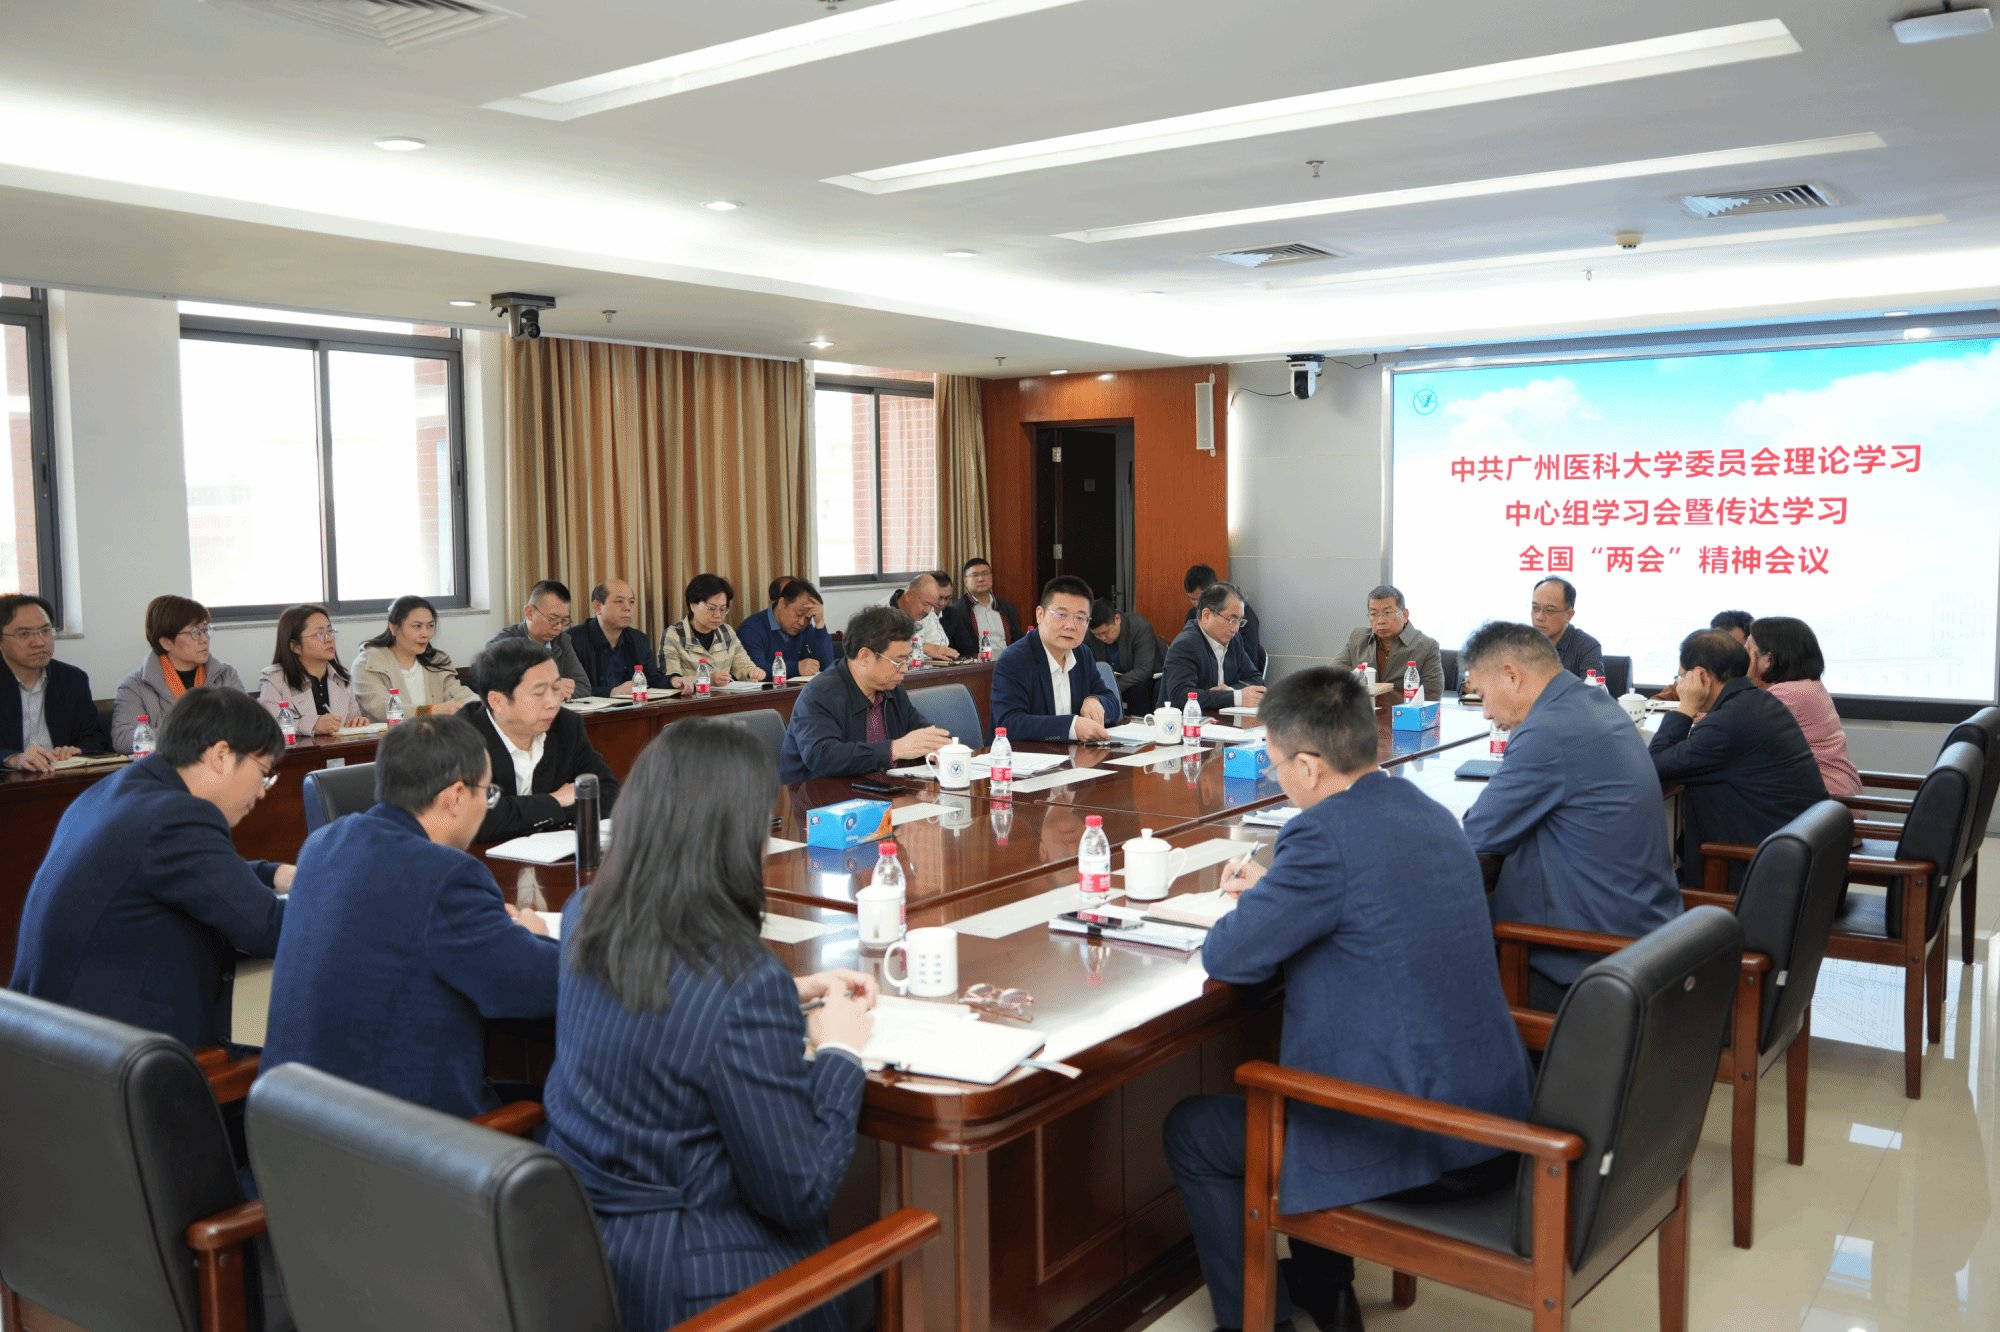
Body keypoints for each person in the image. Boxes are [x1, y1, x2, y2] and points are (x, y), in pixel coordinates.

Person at [1163, 667, 1532, 1332]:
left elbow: (1230, 957)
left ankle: (1257, 1321)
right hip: (1493, 1112)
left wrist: (1268, 897)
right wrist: (1282, 890)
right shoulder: (1428, 811)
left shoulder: (1320, 836)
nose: (1274, 775)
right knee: (1323, 1062)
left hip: (1416, 1136)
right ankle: (1324, 1285)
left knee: (1194, 1129)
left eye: (1274, 762)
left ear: (1307, 767)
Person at [544, 720, 878, 1332]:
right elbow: (800, 1193)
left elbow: (659, 1004)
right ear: (734, 840)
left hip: (580, 1253)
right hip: (700, 1287)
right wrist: (839, 1051)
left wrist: (788, 991)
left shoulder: (584, 913)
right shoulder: (742, 982)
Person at [259, 715, 558, 1118]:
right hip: (397, 1138)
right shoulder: (448, 876)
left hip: (293, 1121)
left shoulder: (322, 844)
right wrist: (533, 934)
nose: (486, 807)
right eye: (487, 793)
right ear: (456, 796)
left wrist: (485, 926)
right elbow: (535, 986)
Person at [10, 687, 291, 1050]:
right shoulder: (177, 816)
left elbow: (193, 875)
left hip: (47, 1032)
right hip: (112, 1050)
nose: (262, 792)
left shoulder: (114, 790)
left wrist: (271, 873)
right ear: (221, 755)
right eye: (264, 772)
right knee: (293, 1034)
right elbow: (265, 929)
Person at [1458, 622, 1681, 1010]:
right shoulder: (1594, 703)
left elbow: (1478, 835)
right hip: (1642, 936)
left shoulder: (1548, 731)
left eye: (1482, 695)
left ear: (1511, 676)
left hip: (1585, 961)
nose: (1486, 713)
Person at [1650, 629, 1828, 890]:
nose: (1680, 685)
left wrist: (1686, 707)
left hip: (1761, 876)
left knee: (1651, 888)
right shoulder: (1759, 701)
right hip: (1796, 862)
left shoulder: (1726, 724)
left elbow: (1654, 767)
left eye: (1681, 677)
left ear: (1701, 677)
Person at [461, 638, 621, 842]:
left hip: (552, 853)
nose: (553, 703)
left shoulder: (566, 725)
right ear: (497, 701)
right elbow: (473, 819)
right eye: (539, 693)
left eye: (556, 689)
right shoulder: (461, 736)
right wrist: (554, 801)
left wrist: (523, 814)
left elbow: (608, 794)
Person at [777, 606, 949, 783]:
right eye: (898, 661)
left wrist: (942, 748)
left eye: (907, 659)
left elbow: (920, 730)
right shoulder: (819, 695)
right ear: (865, 656)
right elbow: (822, 757)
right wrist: (893, 750)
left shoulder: (892, 689)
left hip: (878, 789)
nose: (905, 669)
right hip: (818, 795)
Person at [991, 576, 1121, 742]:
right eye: (1061, 615)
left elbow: (1113, 704)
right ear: (1040, 615)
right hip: (1027, 756)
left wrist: (1095, 701)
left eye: (1080, 618)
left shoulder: (1082, 654)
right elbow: (1009, 723)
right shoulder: (1014, 660)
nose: (1071, 626)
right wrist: (1071, 727)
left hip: (1076, 754)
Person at [113, 594, 248, 752]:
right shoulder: (135, 686)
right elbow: (123, 739)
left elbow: (250, 723)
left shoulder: (225, 675)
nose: (205, 639)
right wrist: (187, 731)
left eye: (206, 630)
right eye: (195, 632)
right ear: (166, 643)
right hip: (167, 766)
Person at [1745, 616, 1861, 797]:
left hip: (1821, 800)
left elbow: (1740, 735)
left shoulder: (1786, 694)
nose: (1742, 658)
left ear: (1768, 659)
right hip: (1830, 792)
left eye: (1748, 651)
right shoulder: (1806, 685)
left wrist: (1745, 679)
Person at [1, 592, 110, 771]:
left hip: (61, 779)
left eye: (45, 631)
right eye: (24, 634)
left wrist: (78, 750)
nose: (39, 642)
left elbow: (96, 739)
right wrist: (12, 758)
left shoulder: (73, 679)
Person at [350, 595, 477, 722]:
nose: (425, 634)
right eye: (417, 626)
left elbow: (459, 694)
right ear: (393, 628)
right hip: (391, 734)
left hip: (436, 733)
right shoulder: (368, 662)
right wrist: (432, 710)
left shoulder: (436, 660)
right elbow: (381, 709)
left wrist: (482, 707)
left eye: (430, 626)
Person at [257, 604, 369, 736]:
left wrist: (357, 722)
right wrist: (312, 725)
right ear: (295, 646)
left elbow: (351, 722)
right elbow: (268, 725)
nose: (329, 639)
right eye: (319, 634)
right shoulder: (274, 680)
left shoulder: (341, 678)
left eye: (330, 631)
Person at [568, 578, 688, 699]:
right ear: (598, 607)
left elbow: (652, 678)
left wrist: (673, 681)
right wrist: (612, 691)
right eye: (619, 601)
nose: (627, 607)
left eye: (631, 602)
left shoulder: (639, 639)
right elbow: (569, 688)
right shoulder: (571, 640)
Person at [1160, 582, 1267, 716]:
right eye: (1231, 620)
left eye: (1240, 621)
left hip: (1222, 721)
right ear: (1206, 615)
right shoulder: (1185, 645)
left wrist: (1230, 691)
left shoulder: (1234, 640)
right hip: (1185, 723)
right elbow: (1180, 697)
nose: (1236, 629)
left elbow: (1256, 679)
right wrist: (1235, 697)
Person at [1331, 584, 1442, 702]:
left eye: (1388, 613)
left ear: (1405, 615)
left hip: (1404, 712)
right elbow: (1334, 673)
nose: (1380, 621)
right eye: (1374, 614)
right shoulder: (1358, 638)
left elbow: (1432, 694)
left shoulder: (1427, 647)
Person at [485, 580, 592, 700]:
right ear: (529, 613)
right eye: (553, 619)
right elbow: (498, 691)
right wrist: (551, 689)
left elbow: (583, 687)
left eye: (564, 621)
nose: (559, 627)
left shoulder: (561, 641)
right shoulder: (501, 644)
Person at [660, 574, 766, 683]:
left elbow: (743, 666)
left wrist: (752, 673)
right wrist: (708, 679)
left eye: (723, 609)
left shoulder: (726, 632)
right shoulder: (674, 635)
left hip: (725, 693)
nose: (718, 615)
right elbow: (672, 679)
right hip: (693, 694)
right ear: (693, 605)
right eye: (711, 608)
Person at [739, 578, 835, 677]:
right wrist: (796, 668)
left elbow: (827, 668)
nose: (802, 623)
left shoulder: (806, 629)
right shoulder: (750, 629)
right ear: (781, 603)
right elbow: (754, 671)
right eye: (798, 614)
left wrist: (820, 624)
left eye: (808, 618)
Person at [1654, 610, 1753, 702]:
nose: (1725, 653)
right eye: (1718, 646)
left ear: (1749, 647)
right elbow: (1655, 703)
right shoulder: (1701, 672)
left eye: (1733, 647)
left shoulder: (1755, 681)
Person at [1088, 598, 1163, 716]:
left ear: (1117, 619)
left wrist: (1111, 687)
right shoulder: (1088, 635)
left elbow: (1142, 671)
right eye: (1097, 634)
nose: (1102, 638)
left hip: (1142, 680)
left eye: (1105, 632)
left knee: (1138, 688)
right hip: (1107, 682)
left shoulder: (1140, 628)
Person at [1182, 565, 1265, 670]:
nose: (1197, 604)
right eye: (1192, 599)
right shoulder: (1193, 616)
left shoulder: (1243, 615)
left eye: (1200, 598)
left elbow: (1248, 662)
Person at [942, 556, 1022, 658]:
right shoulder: (956, 611)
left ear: (991, 577)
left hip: (1007, 661)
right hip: (976, 665)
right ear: (966, 581)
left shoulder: (1007, 608)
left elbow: (1018, 640)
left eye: (985, 574)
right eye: (975, 575)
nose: (981, 579)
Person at [1528, 576, 1604, 681]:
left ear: (1569, 615)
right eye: (1535, 608)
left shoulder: (1587, 647)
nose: (1539, 617)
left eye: (1549, 610)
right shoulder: (1522, 644)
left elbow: (1592, 690)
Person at [889, 573, 957, 660]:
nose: (928, 610)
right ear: (909, 595)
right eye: (925, 604)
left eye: (932, 605)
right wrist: (924, 648)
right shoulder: (881, 613)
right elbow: (888, 655)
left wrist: (920, 649)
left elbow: (940, 649)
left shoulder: (927, 612)